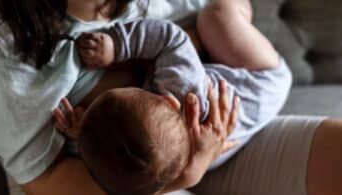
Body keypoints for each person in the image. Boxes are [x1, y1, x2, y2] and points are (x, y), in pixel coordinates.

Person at [0, 0, 342, 195]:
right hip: (101, 183)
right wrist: (184, 174)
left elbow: (193, 26)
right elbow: (45, 176)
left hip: (213, 145)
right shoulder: (1, 41)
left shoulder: (181, 94)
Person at [51, 17, 289, 194]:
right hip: (263, 78)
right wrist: (117, 45)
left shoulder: (154, 171)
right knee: (216, 18)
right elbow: (171, 39)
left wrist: (78, 135)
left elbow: (109, 157)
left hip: (220, 148)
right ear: (168, 99)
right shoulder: (182, 89)